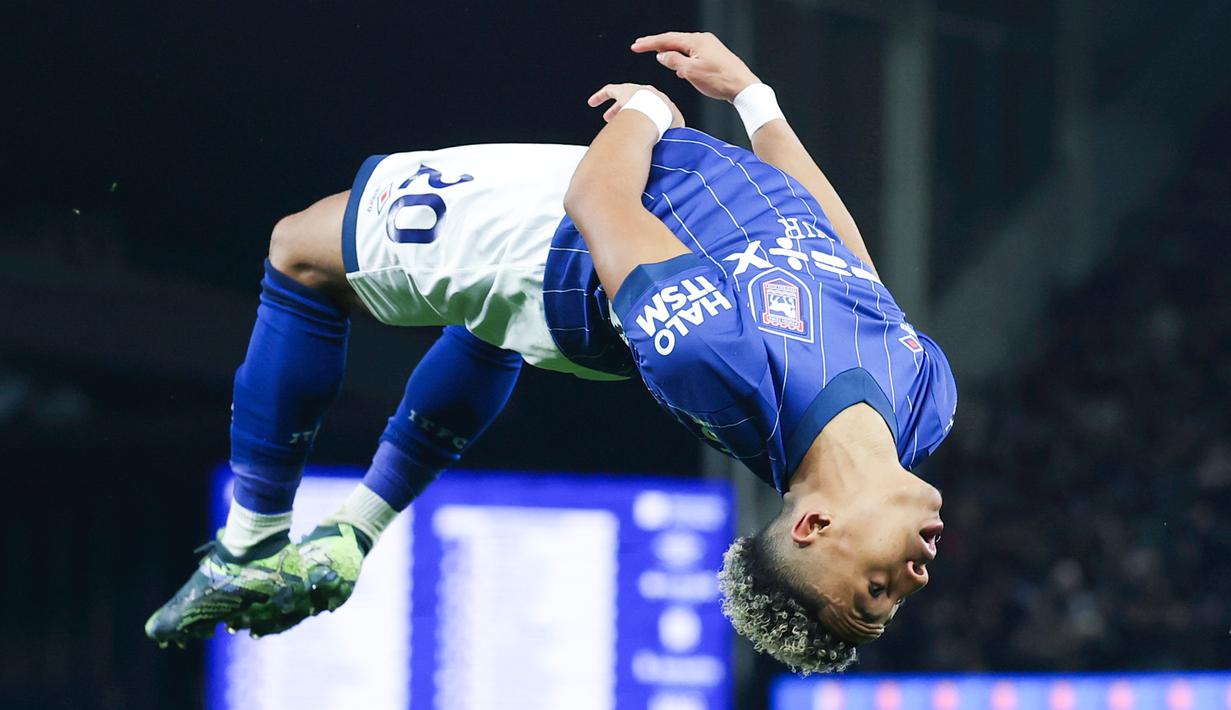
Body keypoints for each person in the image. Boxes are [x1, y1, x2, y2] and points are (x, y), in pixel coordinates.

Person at [145, 31, 956, 674]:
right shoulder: (923, 403)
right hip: (614, 284)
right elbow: (841, 257)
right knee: (490, 329)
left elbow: (597, 196)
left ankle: (247, 544)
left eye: (874, 589)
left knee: (298, 252)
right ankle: (356, 528)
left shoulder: (721, 364)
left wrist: (647, 111)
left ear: (812, 524)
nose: (912, 580)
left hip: (550, 245)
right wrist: (754, 99)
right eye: (890, 596)